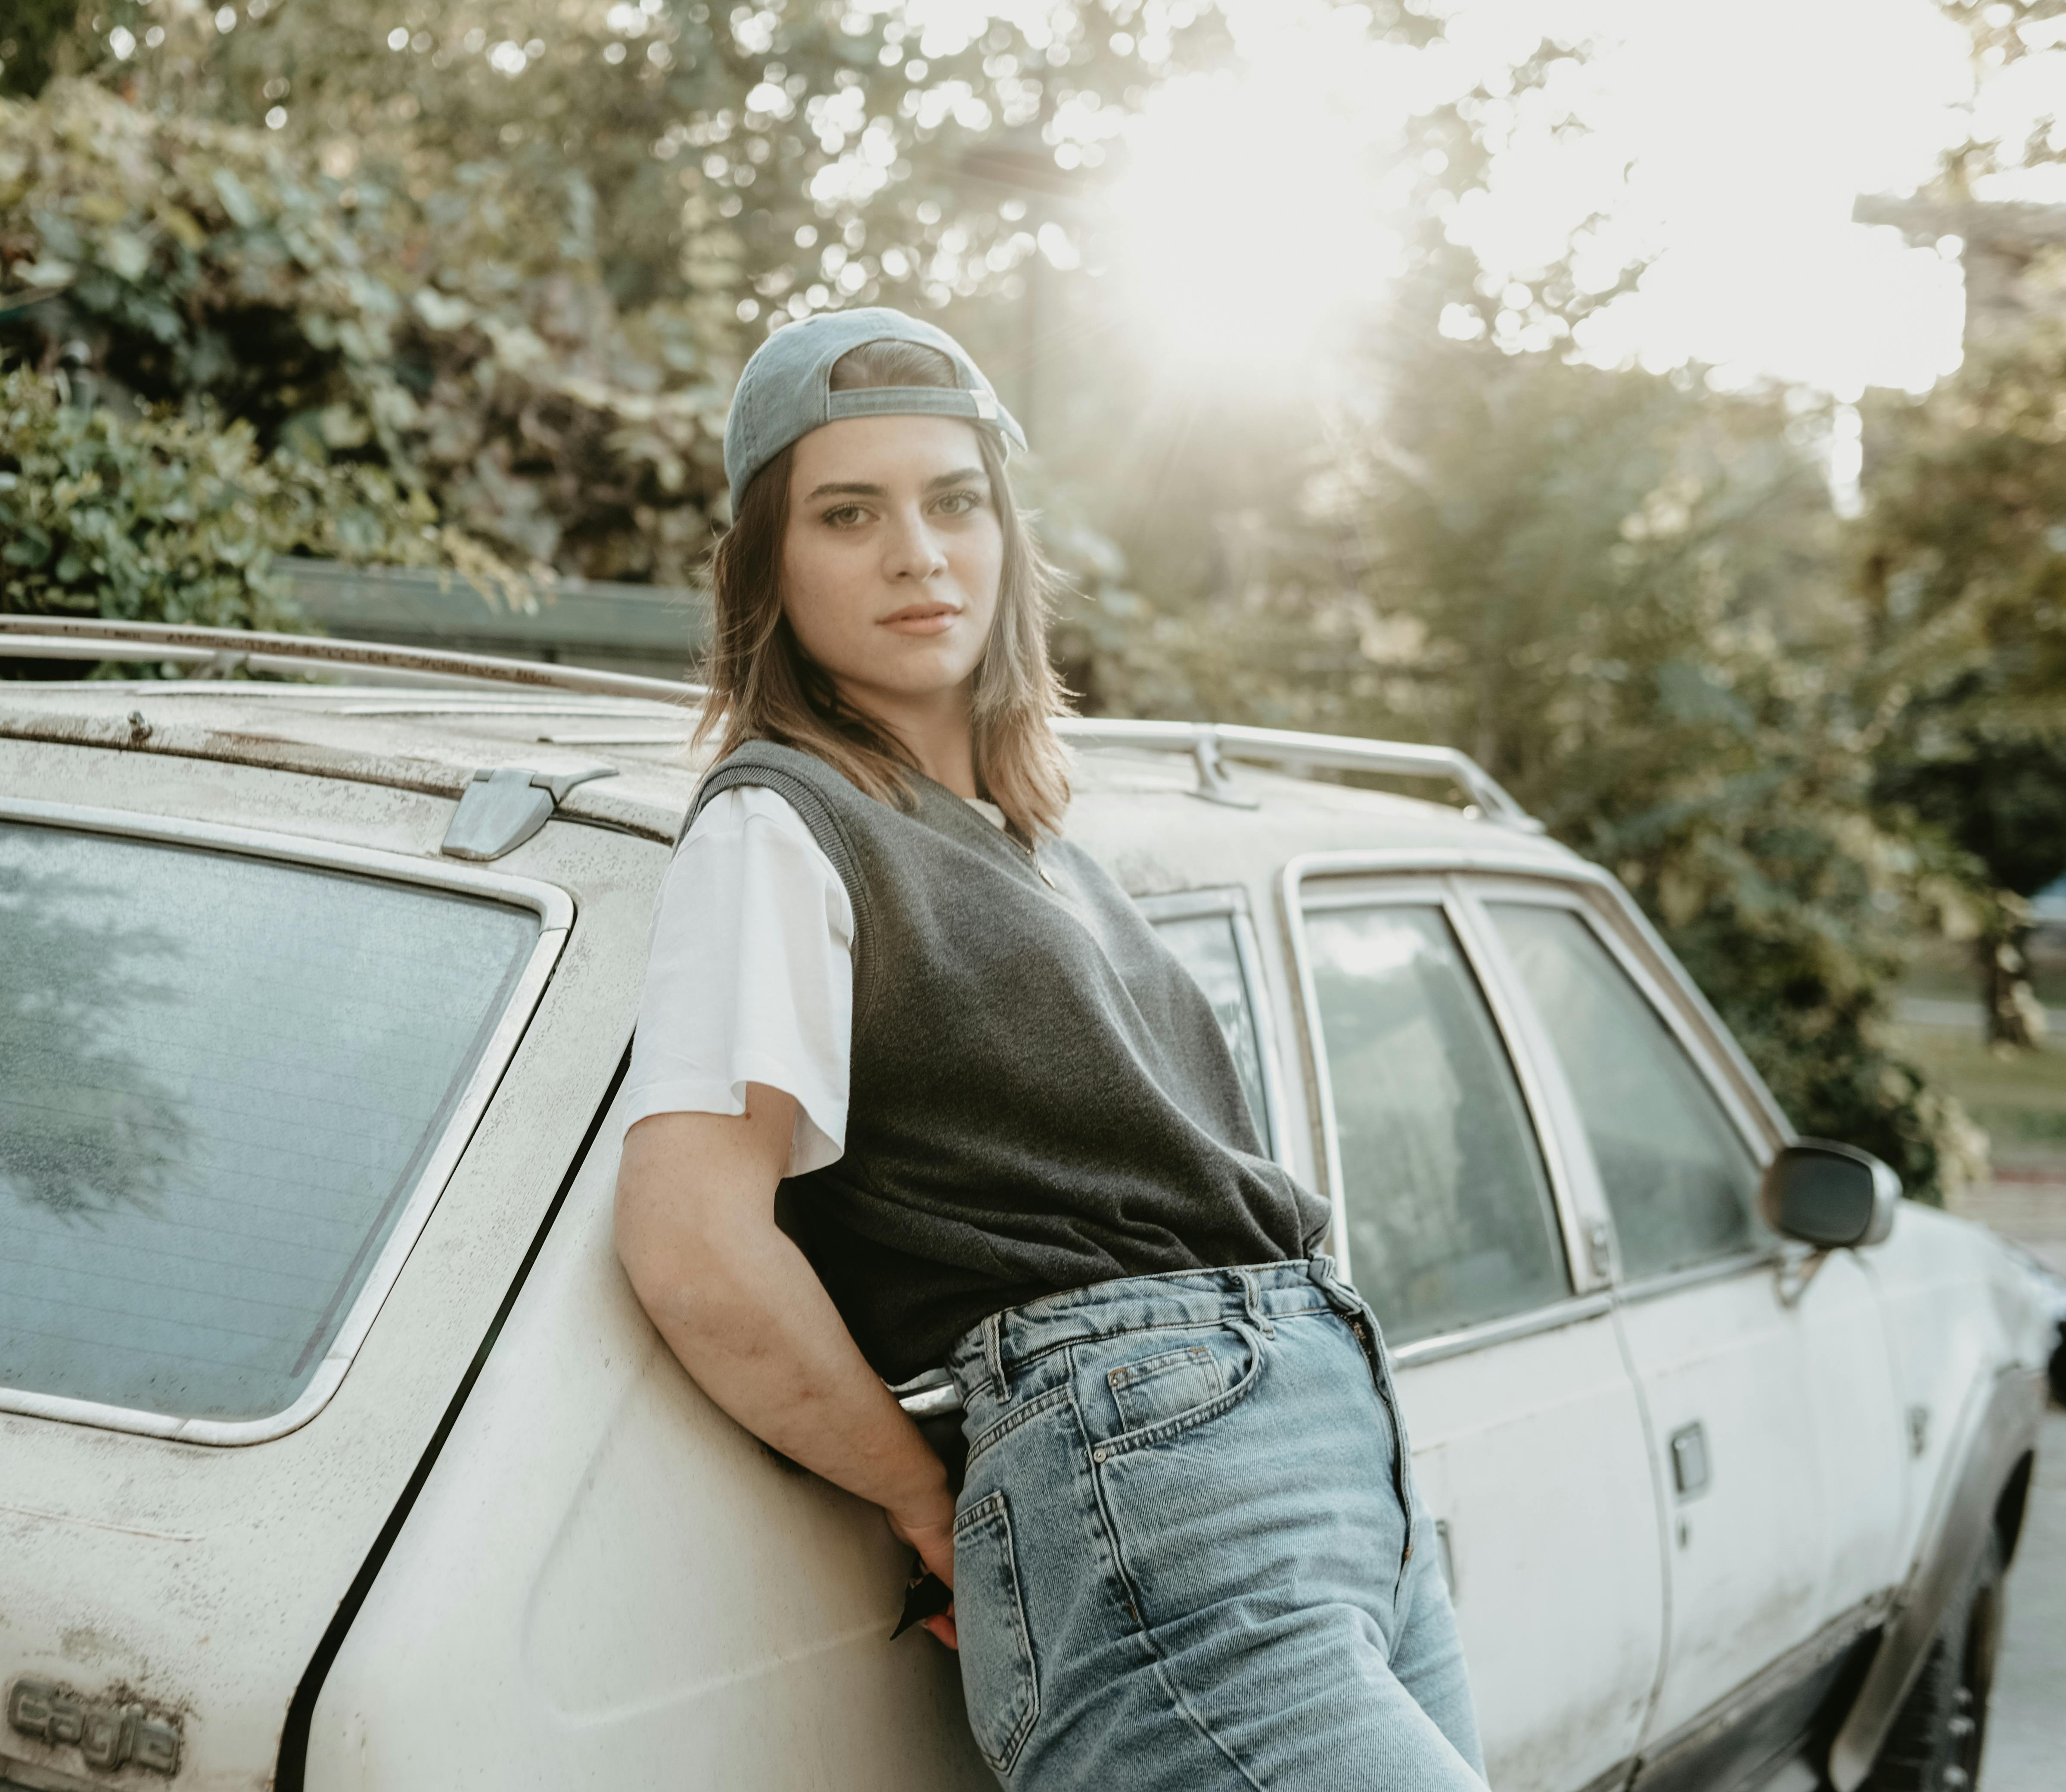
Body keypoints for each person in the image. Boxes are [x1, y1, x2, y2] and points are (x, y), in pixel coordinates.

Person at [610, 307, 1488, 1791]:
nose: (918, 553)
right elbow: (693, 1237)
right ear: (764, 563)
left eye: (955, 501)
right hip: (1150, 1478)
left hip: (1323, 1452)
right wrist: (922, 1497)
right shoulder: (781, 824)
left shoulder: (1032, 842)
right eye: (848, 513)